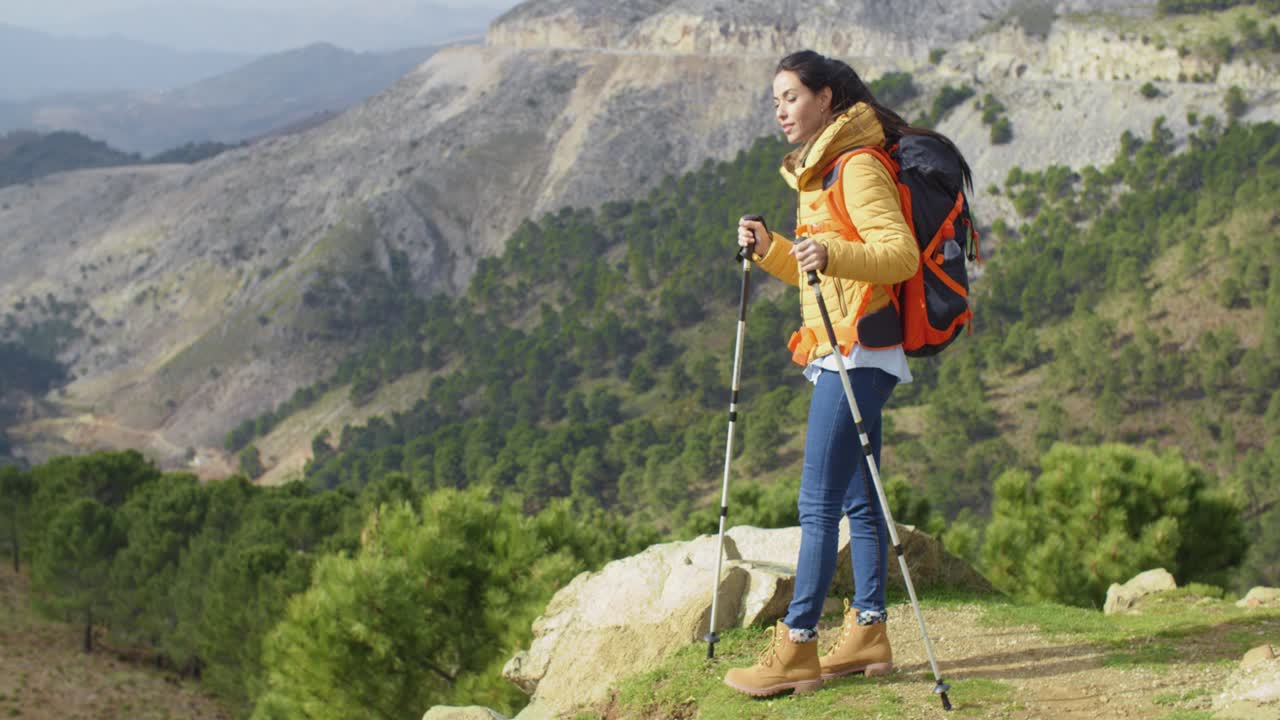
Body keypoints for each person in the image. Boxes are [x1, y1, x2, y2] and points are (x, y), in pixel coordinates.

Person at [723, 50, 972, 698]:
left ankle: (797, 644)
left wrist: (829, 250)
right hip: (849, 347)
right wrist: (775, 248)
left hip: (857, 350)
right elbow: (818, 273)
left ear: (827, 98)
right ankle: (868, 634)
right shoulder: (822, 172)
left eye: (791, 97)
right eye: (774, 100)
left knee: (817, 503)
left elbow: (896, 256)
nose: (780, 110)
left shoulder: (857, 167)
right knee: (861, 501)